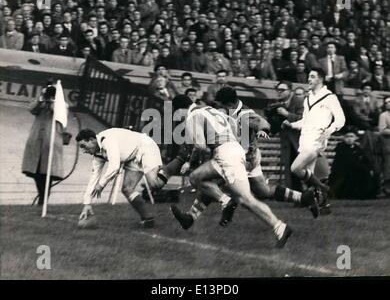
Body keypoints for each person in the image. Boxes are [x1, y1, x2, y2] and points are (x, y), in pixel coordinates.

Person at [170, 94, 293, 248]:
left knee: (246, 199)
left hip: (226, 155)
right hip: (232, 150)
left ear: (181, 109)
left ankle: (280, 226)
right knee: (199, 178)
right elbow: (231, 126)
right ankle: (190, 217)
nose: (177, 118)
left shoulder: (192, 116)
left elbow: (200, 145)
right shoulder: (208, 109)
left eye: (176, 113)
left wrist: (193, 158)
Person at [76, 127, 170, 228]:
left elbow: (114, 166)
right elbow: (93, 178)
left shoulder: (107, 140)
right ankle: (147, 219)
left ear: (91, 140)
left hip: (146, 146)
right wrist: (87, 204)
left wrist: (101, 184)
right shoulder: (97, 155)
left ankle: (177, 161)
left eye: (83, 146)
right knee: (127, 189)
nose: (83, 151)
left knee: (155, 183)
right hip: (132, 156)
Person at [282, 67, 346, 212]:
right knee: (309, 178)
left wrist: (328, 131)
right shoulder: (308, 98)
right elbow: (305, 121)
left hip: (316, 142)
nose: (308, 79)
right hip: (304, 140)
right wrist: (291, 124)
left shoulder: (330, 97)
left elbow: (341, 120)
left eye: (312, 77)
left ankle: (322, 188)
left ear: (320, 79)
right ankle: (323, 206)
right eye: (309, 77)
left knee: (295, 168)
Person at [22, 83, 67, 206]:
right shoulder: (41, 104)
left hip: (51, 143)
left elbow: (59, 113)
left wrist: (53, 101)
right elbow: (31, 109)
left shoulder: (62, 106)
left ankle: (43, 200)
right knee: (35, 172)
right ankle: (42, 197)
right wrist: (41, 98)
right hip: (36, 142)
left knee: (47, 173)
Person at [329, 126, 379, 199]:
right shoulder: (341, 149)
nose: (349, 139)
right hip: (344, 173)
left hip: (356, 170)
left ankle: (370, 193)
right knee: (361, 173)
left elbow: (366, 160)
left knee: (372, 173)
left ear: (356, 138)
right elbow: (349, 163)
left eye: (351, 136)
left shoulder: (357, 148)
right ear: (343, 138)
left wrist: (370, 168)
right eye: (347, 136)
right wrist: (364, 168)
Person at [378, 96, 390, 196]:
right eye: (387, 102)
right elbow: (382, 130)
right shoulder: (383, 115)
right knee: (388, 166)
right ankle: (386, 189)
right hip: (387, 142)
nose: (388, 104)